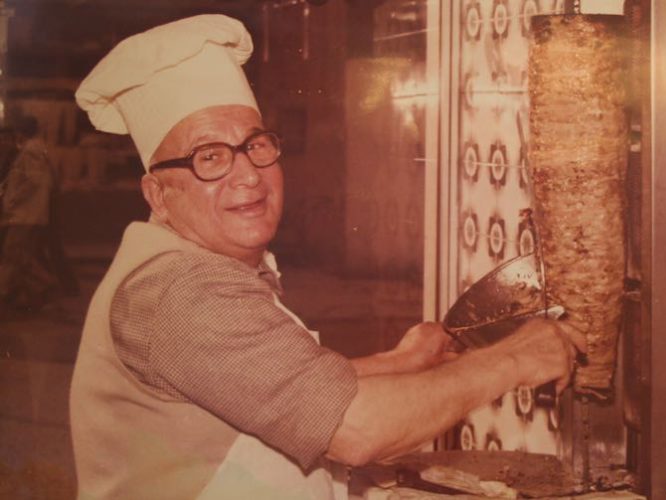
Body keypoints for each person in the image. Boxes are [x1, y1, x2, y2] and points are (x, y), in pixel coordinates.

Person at [70, 14, 585, 500]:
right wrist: (515, 359)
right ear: (158, 195)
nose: (247, 175)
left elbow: (277, 386)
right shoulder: (181, 292)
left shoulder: (187, 265)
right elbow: (356, 430)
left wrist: (400, 363)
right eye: (210, 158)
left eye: (255, 146)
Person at [0, 115, 58, 313]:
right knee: (21, 256)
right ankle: (43, 289)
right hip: (27, 214)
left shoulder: (31, 151)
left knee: (13, 254)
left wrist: (13, 200)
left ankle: (7, 292)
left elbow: (33, 180)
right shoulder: (35, 149)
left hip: (24, 214)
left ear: (20, 131)